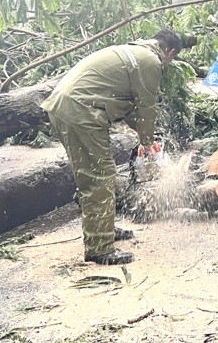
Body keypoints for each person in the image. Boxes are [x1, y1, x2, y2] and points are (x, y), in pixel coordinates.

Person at [41, 30, 184, 265]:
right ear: (169, 53)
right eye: (173, 59)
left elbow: (129, 107)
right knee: (100, 176)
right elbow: (147, 107)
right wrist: (147, 142)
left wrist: (145, 137)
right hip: (82, 112)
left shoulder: (132, 52)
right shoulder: (150, 61)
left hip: (64, 106)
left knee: (96, 172)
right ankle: (99, 247)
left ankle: (103, 227)